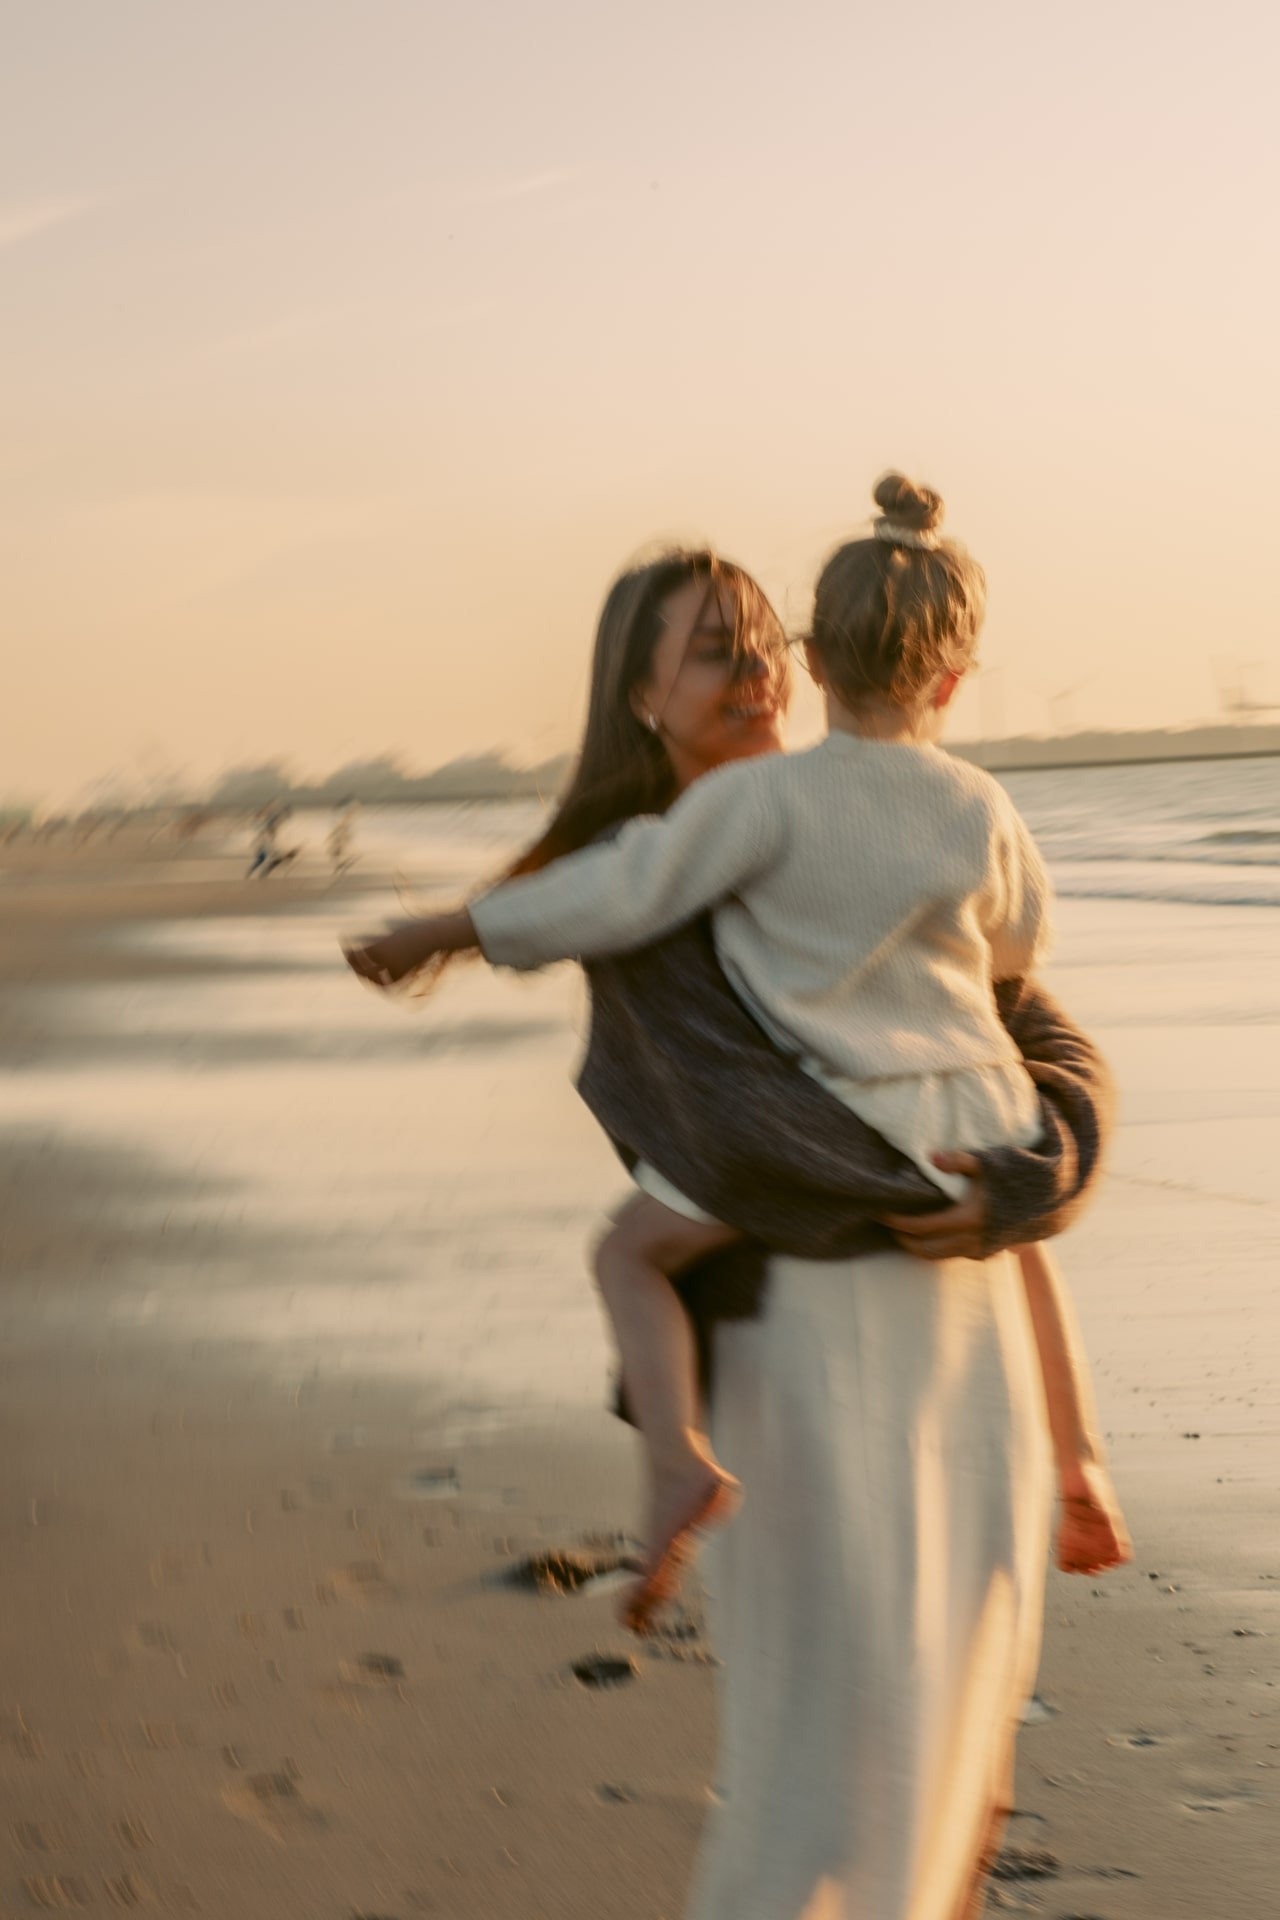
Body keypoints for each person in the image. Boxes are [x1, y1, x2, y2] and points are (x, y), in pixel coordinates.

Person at [346, 529, 1118, 1919]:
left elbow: (1052, 1051)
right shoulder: (891, 822)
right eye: (716, 650)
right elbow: (995, 997)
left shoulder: (779, 823)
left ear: (818, 661)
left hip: (958, 1274)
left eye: (765, 640)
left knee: (961, 1720)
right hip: (837, 1304)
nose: (754, 668)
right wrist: (981, 1164)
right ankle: (682, 1480)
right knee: (852, 1738)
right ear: (641, 698)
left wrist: (1043, 1174)